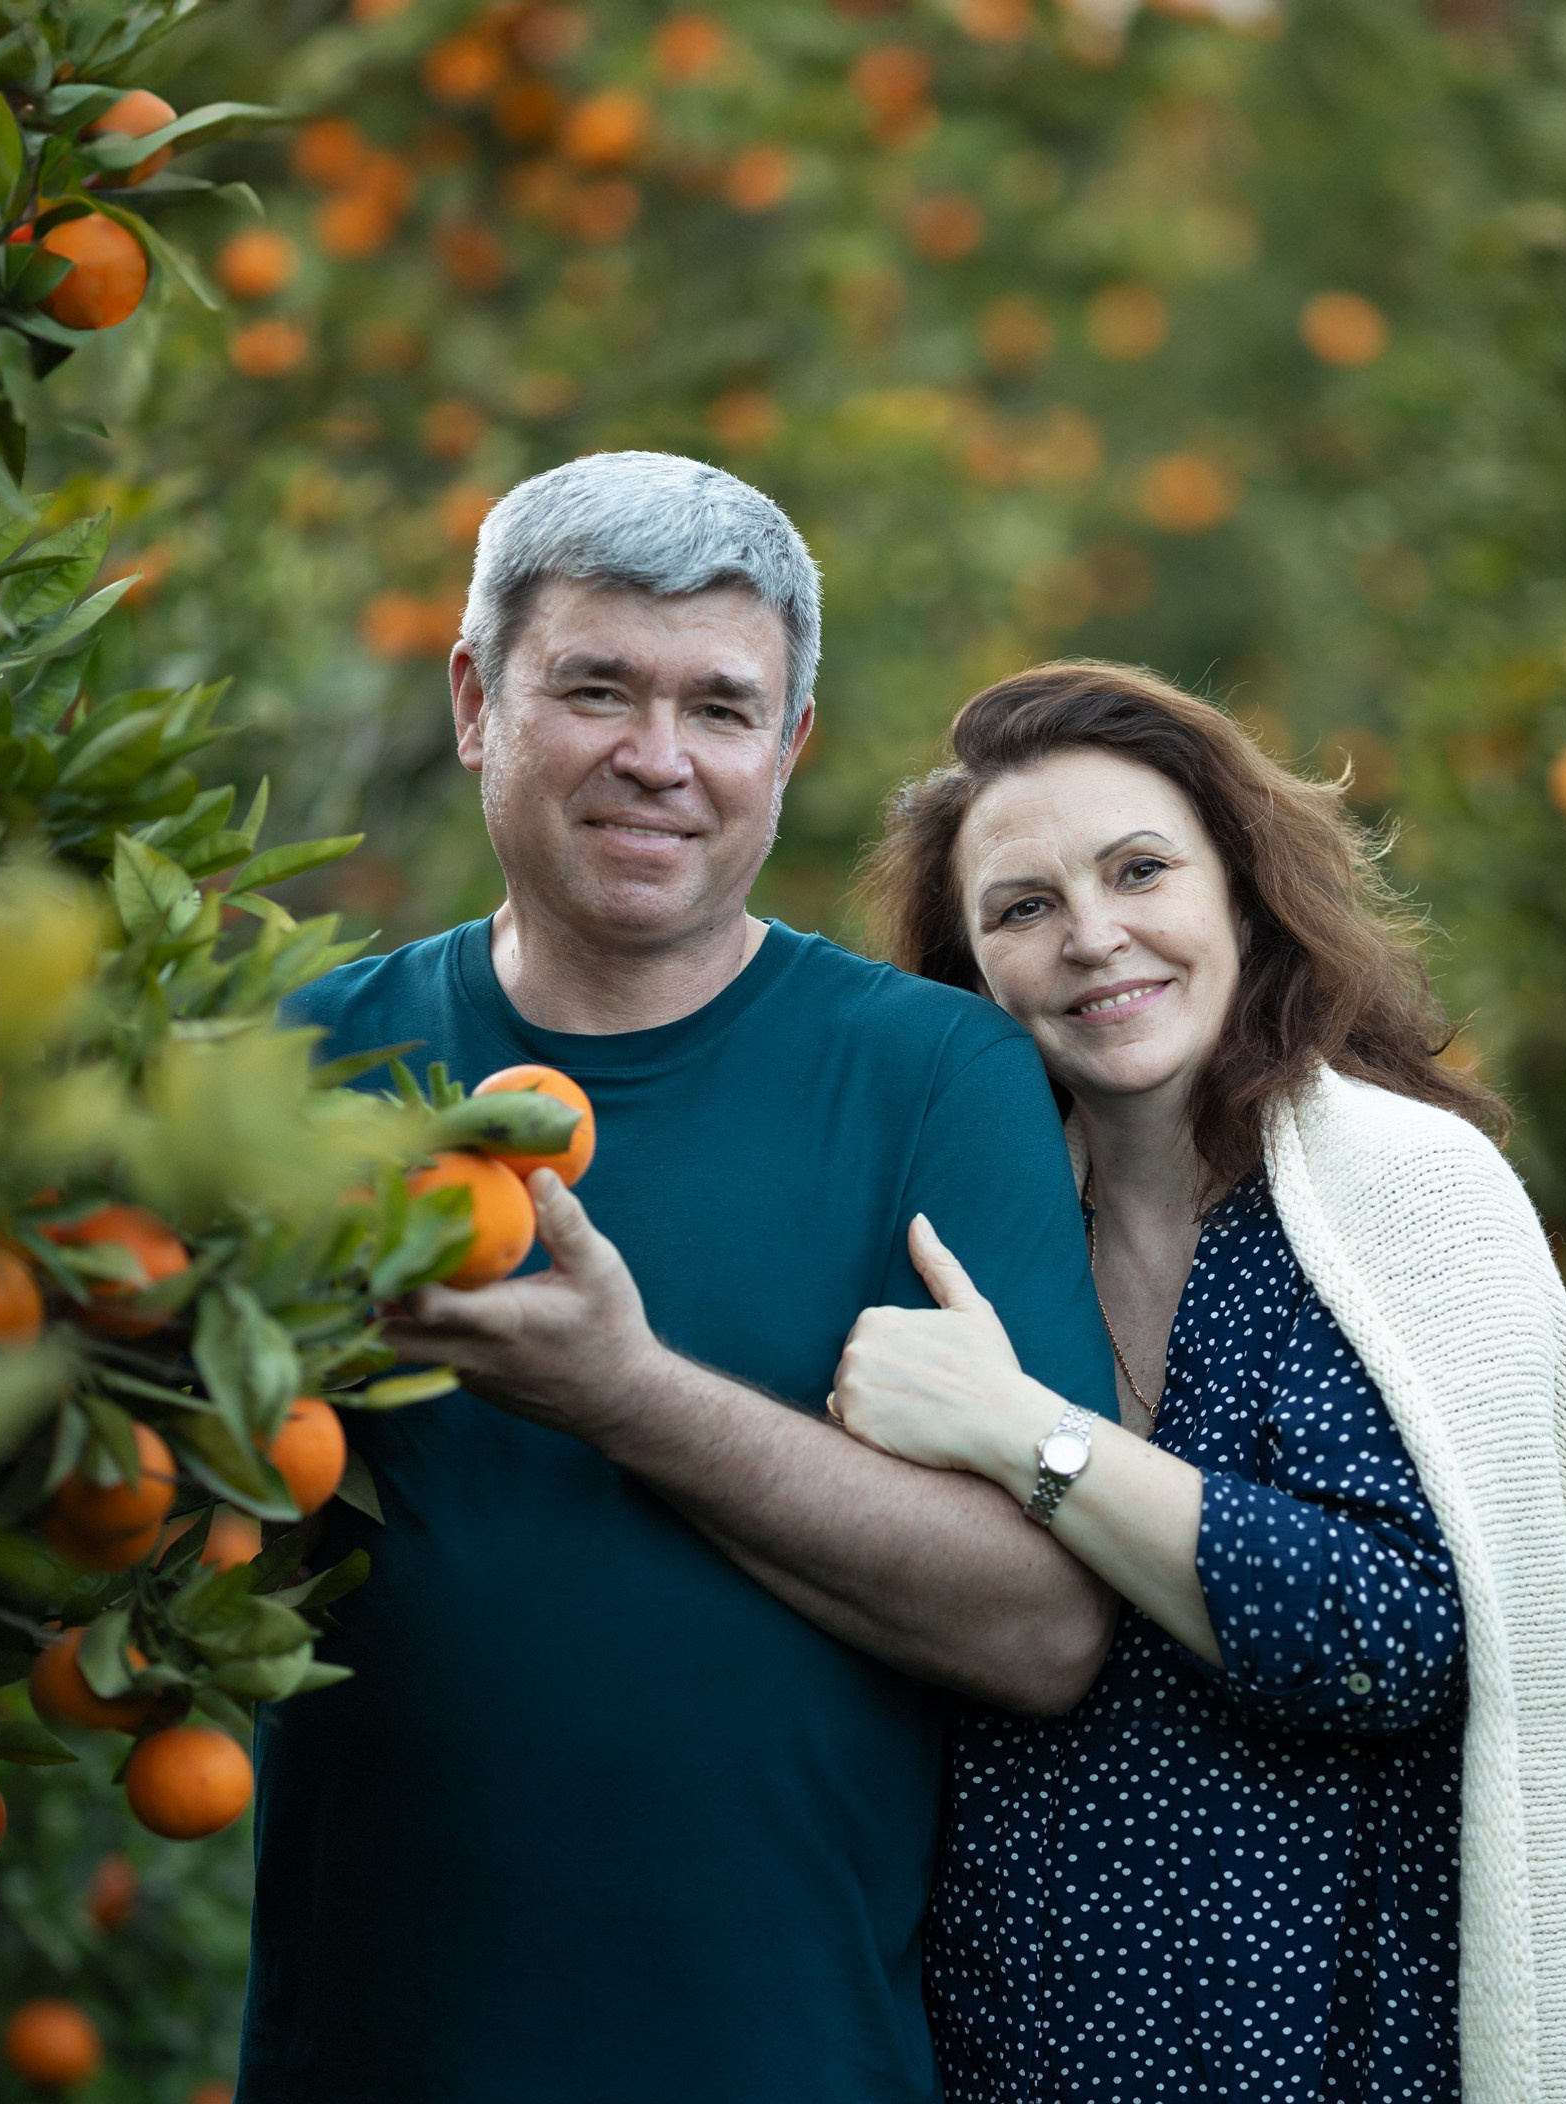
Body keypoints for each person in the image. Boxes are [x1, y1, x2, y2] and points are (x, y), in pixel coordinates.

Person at [237, 456, 1119, 2104]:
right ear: (475, 704)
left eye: (721, 708)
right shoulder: (306, 1068)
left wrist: (621, 1396)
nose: (659, 759)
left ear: (788, 752)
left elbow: (1043, 1628)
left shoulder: (933, 1078)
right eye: (594, 689)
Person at [835, 660, 1566, 2103]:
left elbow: (1396, 1635)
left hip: (1332, 2041)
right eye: (1025, 907)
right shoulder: (957, 1243)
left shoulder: (1416, 1200)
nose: (1095, 939)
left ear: (1238, 887)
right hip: (997, 2045)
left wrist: (1026, 1435)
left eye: (1139, 871)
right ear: (969, 971)